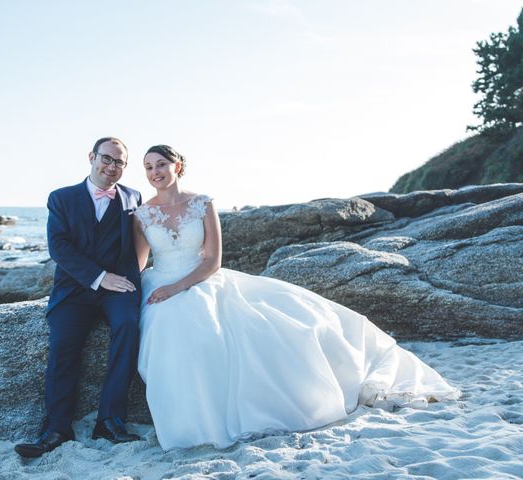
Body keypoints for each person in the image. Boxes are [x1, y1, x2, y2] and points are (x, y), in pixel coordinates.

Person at [133, 144, 459, 450]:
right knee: (169, 330)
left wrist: (179, 287)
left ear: (177, 165)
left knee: (256, 327)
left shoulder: (202, 203)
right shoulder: (142, 214)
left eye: (161, 164)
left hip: (202, 279)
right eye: (148, 167)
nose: (155, 171)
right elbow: (139, 262)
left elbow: (213, 260)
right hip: (160, 282)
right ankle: (192, 427)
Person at [15, 137, 143, 458]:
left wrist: (131, 282)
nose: (111, 167)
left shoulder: (133, 197)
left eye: (119, 163)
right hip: (75, 289)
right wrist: (100, 278)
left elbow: (137, 246)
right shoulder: (62, 198)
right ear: (92, 157)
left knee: (129, 325)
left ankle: (110, 420)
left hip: (118, 288)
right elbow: (59, 247)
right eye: (107, 159)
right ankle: (56, 429)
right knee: (62, 346)